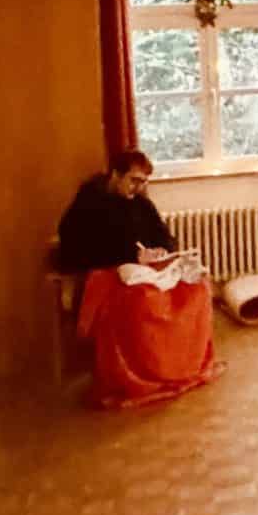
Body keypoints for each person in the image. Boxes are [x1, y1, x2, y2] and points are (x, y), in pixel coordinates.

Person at [55, 149, 219, 408]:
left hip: (147, 270)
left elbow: (163, 235)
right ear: (115, 175)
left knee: (197, 286)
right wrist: (129, 255)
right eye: (133, 180)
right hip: (107, 273)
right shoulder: (89, 203)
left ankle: (183, 368)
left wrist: (162, 250)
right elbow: (77, 248)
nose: (138, 187)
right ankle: (147, 376)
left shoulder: (141, 203)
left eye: (143, 182)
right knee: (145, 300)